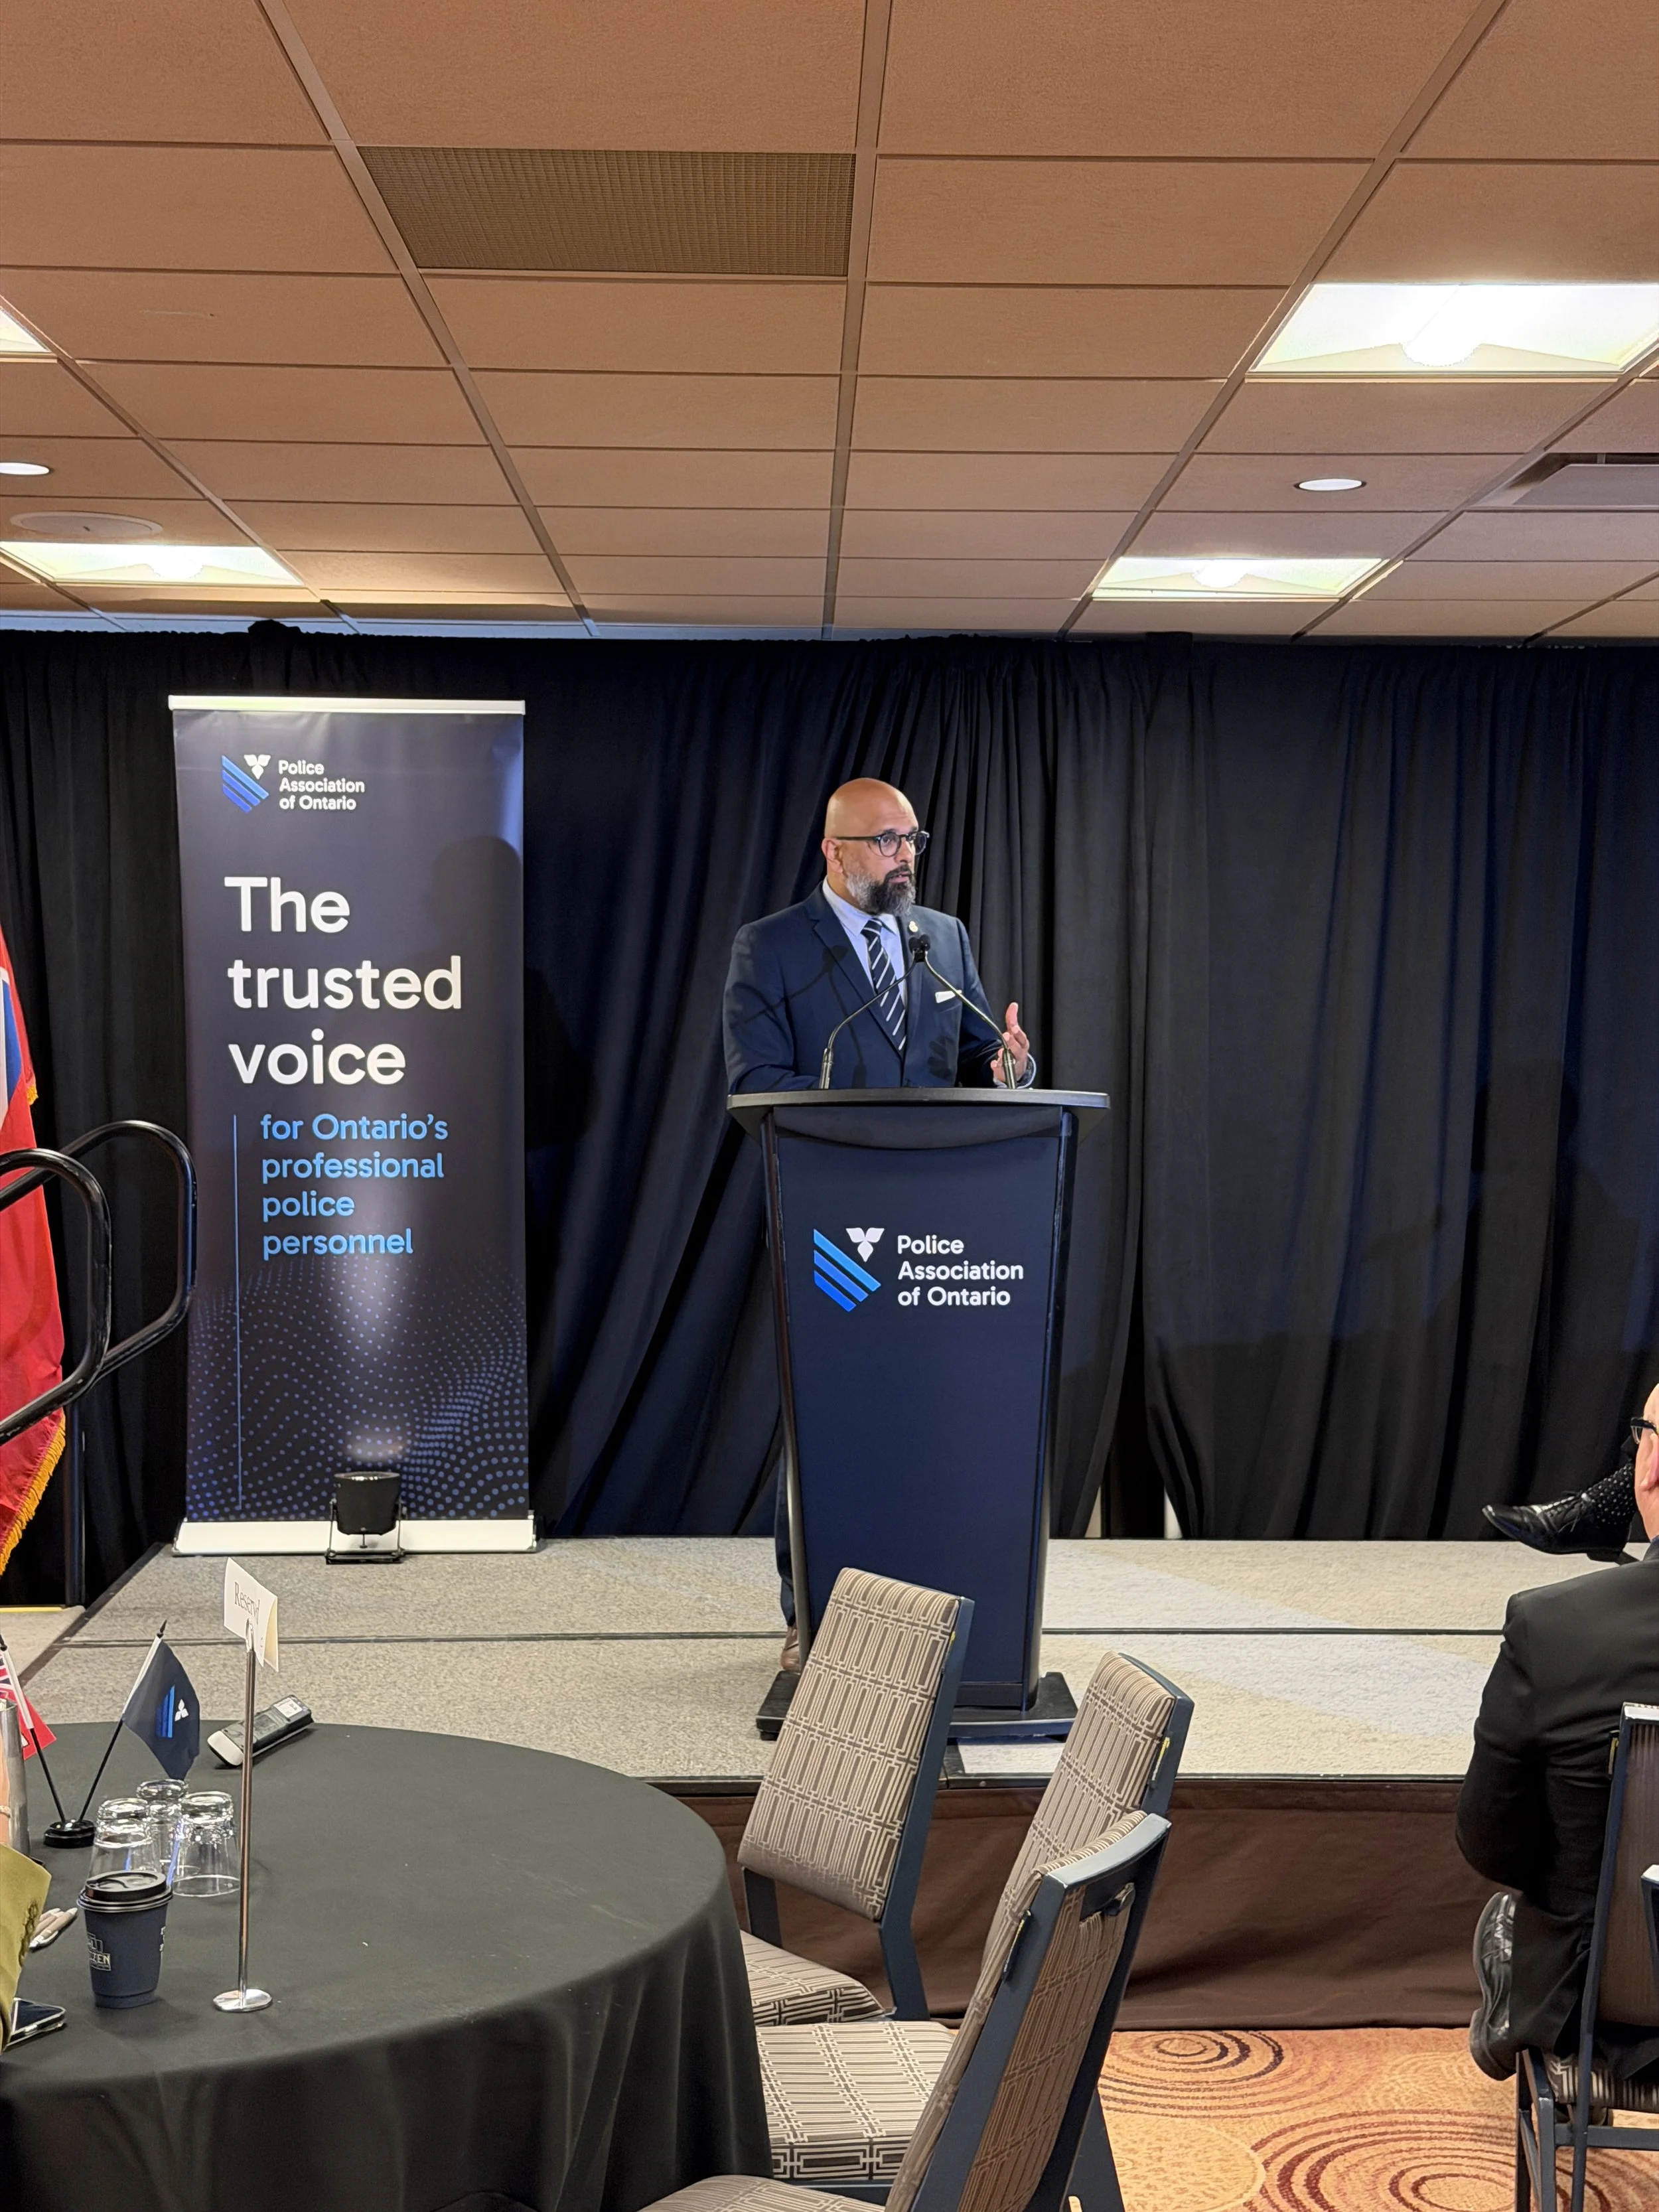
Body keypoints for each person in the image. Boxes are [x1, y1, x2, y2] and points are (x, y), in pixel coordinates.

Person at [723, 778, 1035, 1663]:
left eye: (912, 840)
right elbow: (755, 1081)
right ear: (835, 851)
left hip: (936, 1218)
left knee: (929, 1408)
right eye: (887, 841)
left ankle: (933, 1598)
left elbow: (974, 1057)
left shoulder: (942, 939)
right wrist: (863, 1116)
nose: (905, 857)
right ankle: (811, 1613)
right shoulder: (773, 947)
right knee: (829, 1413)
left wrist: (1008, 1067)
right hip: (832, 1220)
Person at [1459, 1383, 1659, 2083]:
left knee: (1510, 1918)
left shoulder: (1552, 1628)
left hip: (1602, 1995)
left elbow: (1489, 1839)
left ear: (1648, 1468)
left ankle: (1522, 2001)